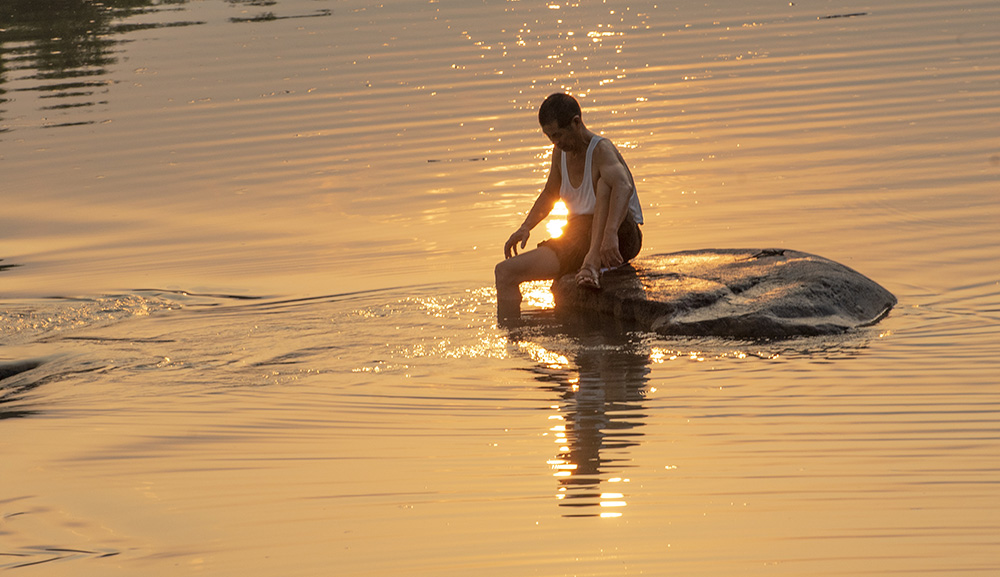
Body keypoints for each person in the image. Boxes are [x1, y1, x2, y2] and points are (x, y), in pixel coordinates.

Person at [495, 92, 644, 321]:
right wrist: (525, 227)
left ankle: (592, 263)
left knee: (606, 184)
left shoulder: (601, 150)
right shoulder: (559, 153)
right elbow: (550, 193)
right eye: (549, 137)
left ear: (576, 122)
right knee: (504, 272)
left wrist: (611, 234)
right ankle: (512, 337)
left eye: (558, 135)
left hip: (619, 234)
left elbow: (623, 187)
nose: (555, 142)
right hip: (577, 236)